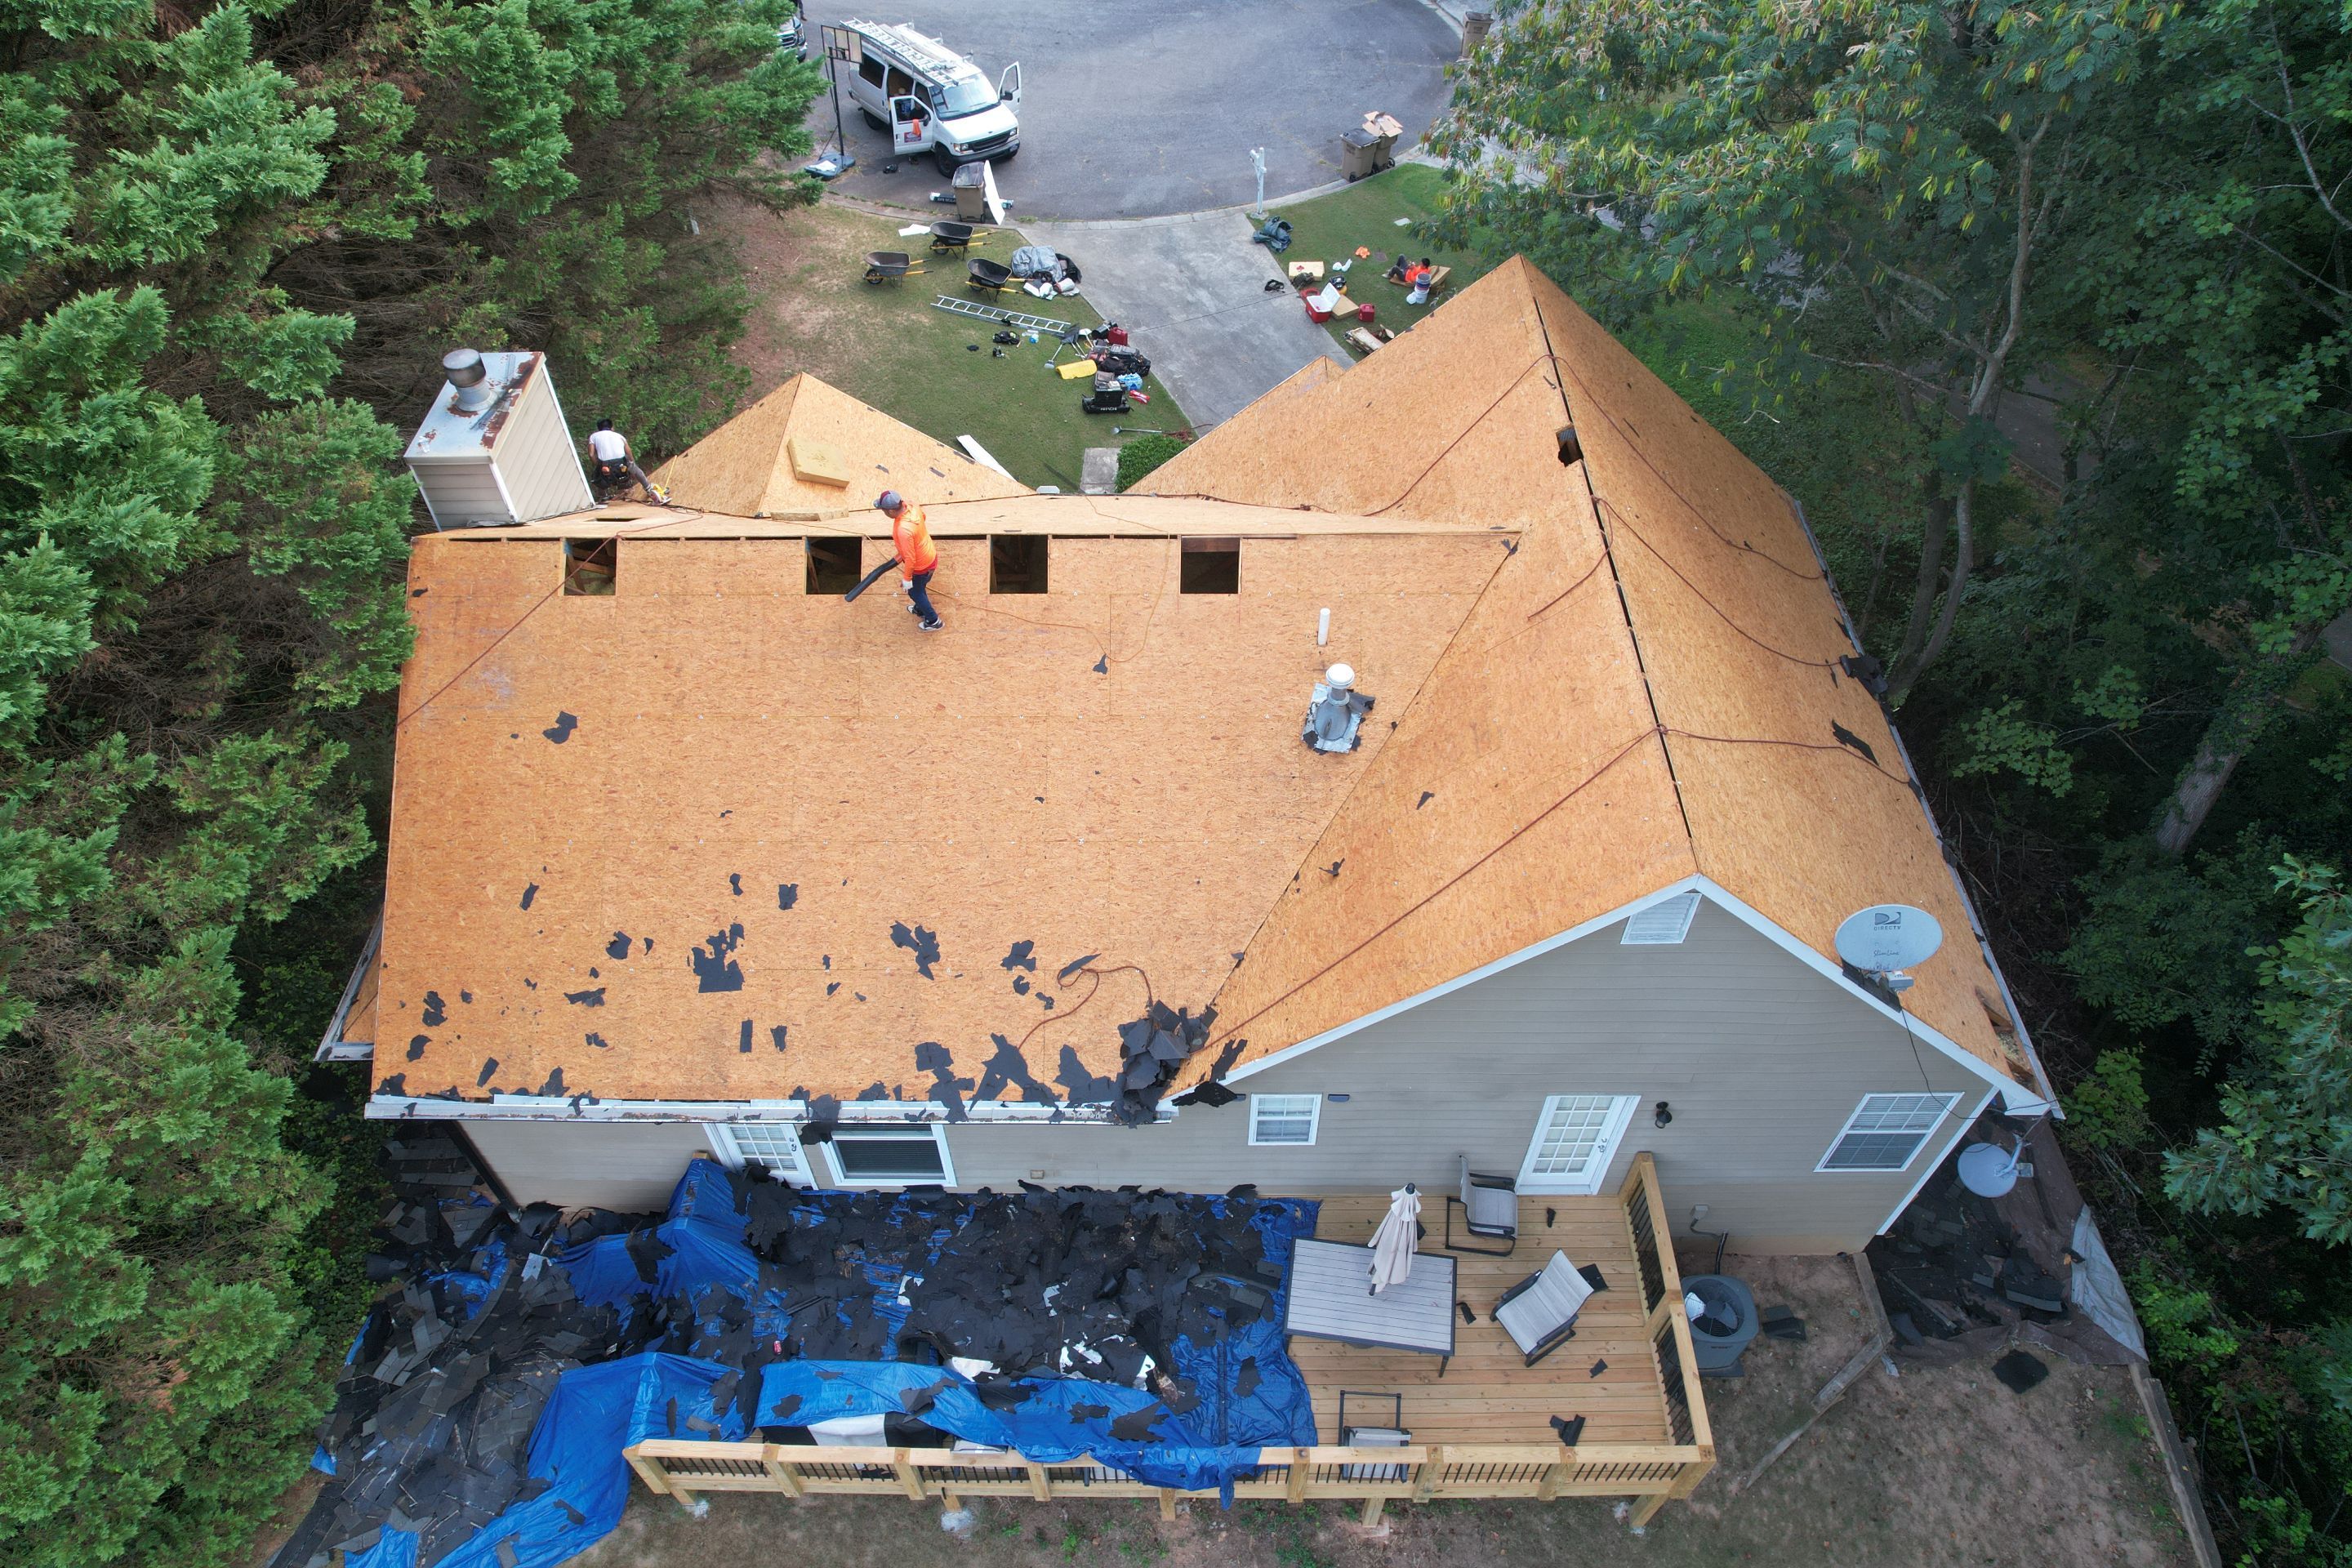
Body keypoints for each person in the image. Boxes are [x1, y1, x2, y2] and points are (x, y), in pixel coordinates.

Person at [876, 490, 942, 631]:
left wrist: (907, 578)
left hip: (921, 566)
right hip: (930, 556)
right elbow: (923, 517)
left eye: (884, 511)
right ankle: (920, 609)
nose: (884, 513)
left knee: (915, 592)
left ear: (892, 511)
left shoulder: (903, 529)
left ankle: (933, 621)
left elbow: (910, 558)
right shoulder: (912, 506)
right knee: (920, 587)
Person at [586, 420, 656, 502]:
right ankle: (648, 489)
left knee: (598, 477)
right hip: (621, 463)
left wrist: (598, 465)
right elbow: (628, 452)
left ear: (599, 429)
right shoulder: (619, 436)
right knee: (637, 471)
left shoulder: (594, 436)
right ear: (611, 427)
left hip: (606, 465)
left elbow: (591, 455)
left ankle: (603, 497)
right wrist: (633, 465)